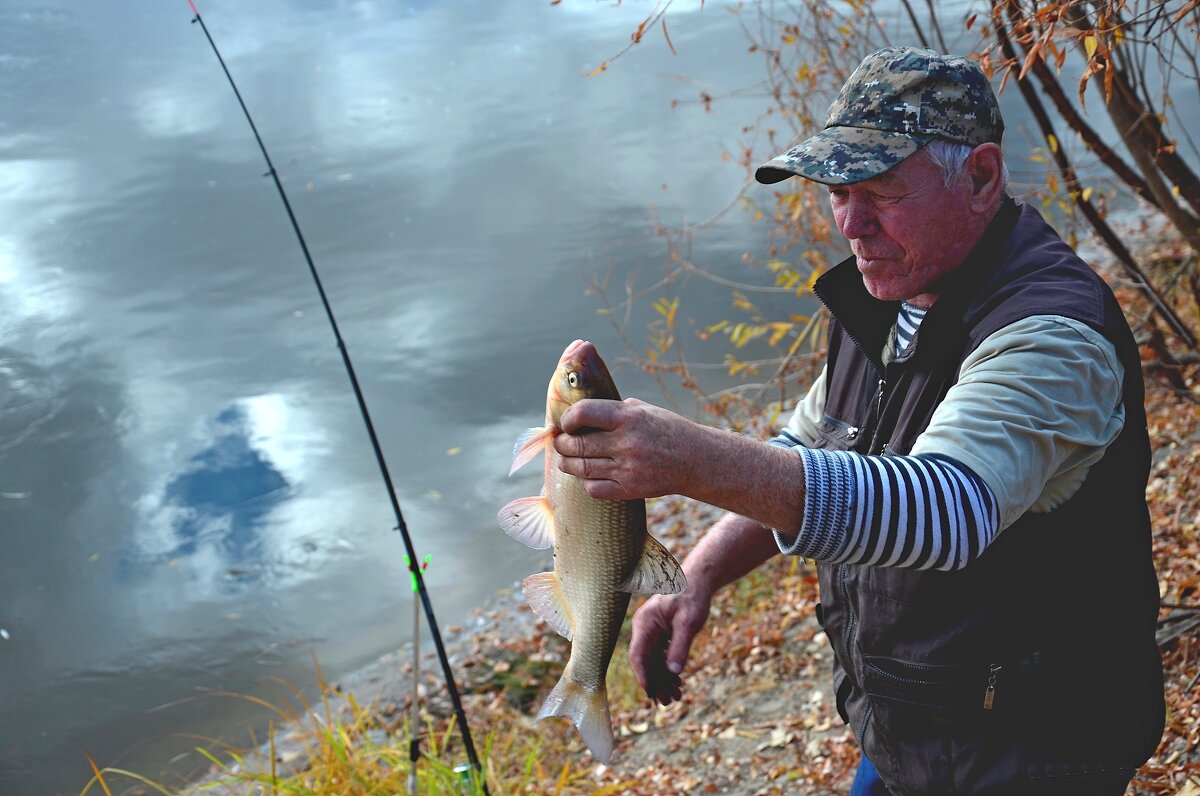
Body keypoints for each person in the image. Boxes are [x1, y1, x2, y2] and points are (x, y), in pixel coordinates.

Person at [551, 46, 1165, 794]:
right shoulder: (893, 295)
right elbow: (810, 448)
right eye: (838, 191)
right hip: (918, 719)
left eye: (881, 191)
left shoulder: (1052, 334)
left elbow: (945, 509)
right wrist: (702, 571)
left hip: (1032, 744)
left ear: (980, 178)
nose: (850, 222)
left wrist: (692, 461)